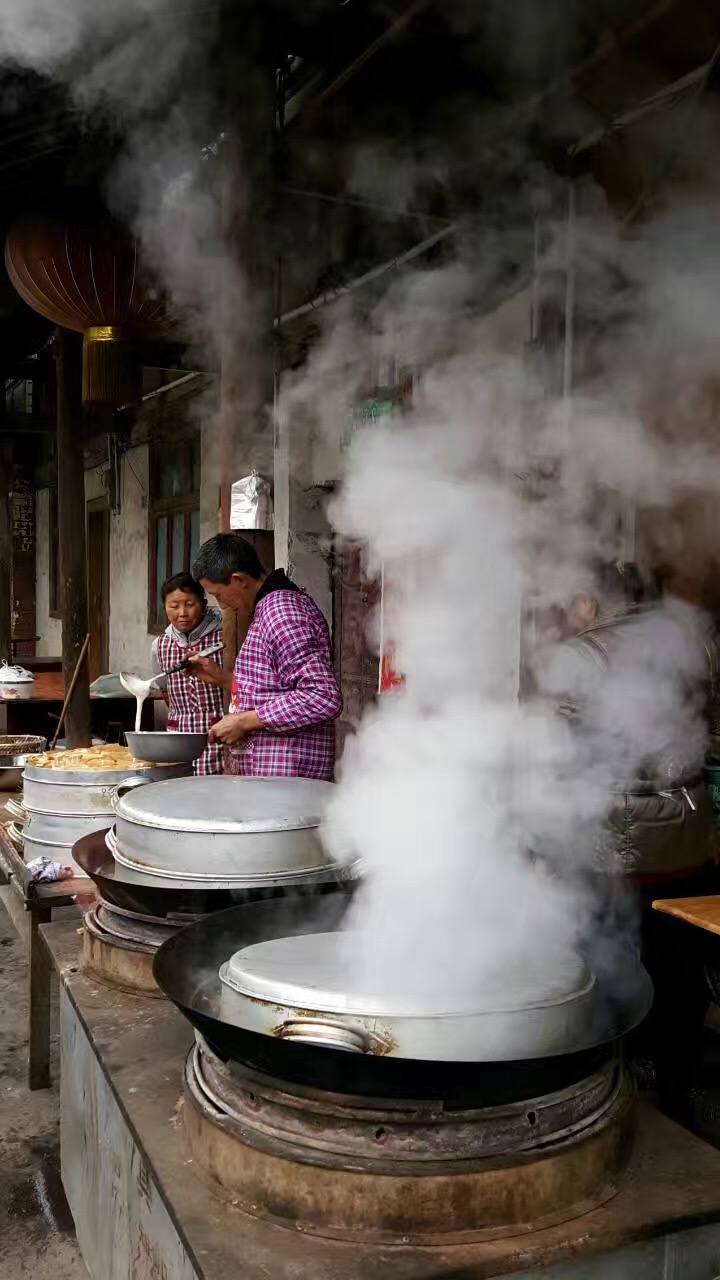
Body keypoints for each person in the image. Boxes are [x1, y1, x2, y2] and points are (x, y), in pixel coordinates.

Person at [538, 560, 716, 1123]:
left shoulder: (578, 658)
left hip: (612, 845)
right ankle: (677, 1084)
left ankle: (610, 1083)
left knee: (605, 960)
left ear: (589, 601)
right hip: (687, 837)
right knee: (680, 964)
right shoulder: (697, 643)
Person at [188, 534, 342, 780]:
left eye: (218, 594)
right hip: (270, 780)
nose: (222, 604)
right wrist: (222, 679)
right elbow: (272, 689)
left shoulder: (282, 612)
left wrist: (244, 722)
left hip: (287, 782)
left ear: (239, 580)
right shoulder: (267, 609)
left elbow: (322, 697)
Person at [151, 572, 224, 775]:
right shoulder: (160, 645)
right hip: (179, 735)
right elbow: (165, 692)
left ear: (203, 602)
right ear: (165, 607)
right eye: (174, 606)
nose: (182, 613)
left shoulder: (226, 635)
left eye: (189, 604)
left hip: (218, 733)